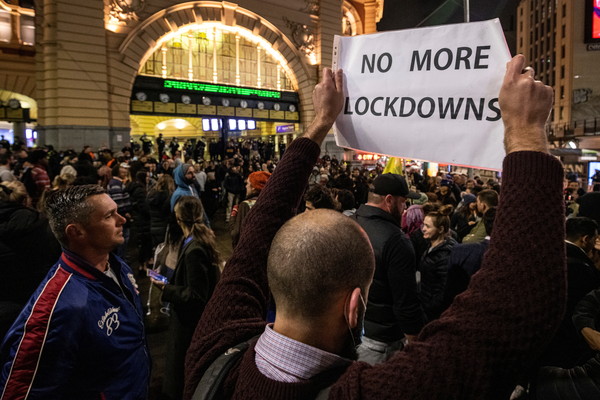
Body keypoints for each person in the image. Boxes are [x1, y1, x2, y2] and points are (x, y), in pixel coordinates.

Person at [184, 58, 565, 400]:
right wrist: (526, 131)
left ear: (272, 279)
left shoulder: (213, 352)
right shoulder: (378, 390)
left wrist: (319, 124)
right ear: (354, 307)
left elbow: (256, 234)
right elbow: (515, 307)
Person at [0, 185, 150, 399]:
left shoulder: (117, 265)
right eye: (109, 216)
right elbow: (21, 393)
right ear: (76, 232)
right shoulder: (57, 308)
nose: (122, 219)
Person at [151, 196, 220, 400]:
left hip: (188, 321)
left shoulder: (194, 249)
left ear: (178, 217)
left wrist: (166, 287)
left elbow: (196, 295)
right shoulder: (198, 240)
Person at [354, 173, 425, 364]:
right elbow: (405, 302)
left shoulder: (349, 223)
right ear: (389, 200)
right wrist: (416, 345)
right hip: (381, 343)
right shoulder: (396, 241)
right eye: (403, 203)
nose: (405, 209)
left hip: (351, 332)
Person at [418, 205, 457, 321]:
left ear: (440, 229)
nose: (423, 229)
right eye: (423, 225)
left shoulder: (445, 255)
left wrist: (429, 307)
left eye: (428, 226)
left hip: (432, 312)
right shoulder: (431, 246)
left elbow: (443, 290)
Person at [230, 171, 270, 248]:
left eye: (248, 184)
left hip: (249, 249)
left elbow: (236, 233)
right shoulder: (269, 202)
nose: (246, 186)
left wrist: (233, 216)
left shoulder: (245, 205)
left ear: (254, 187)